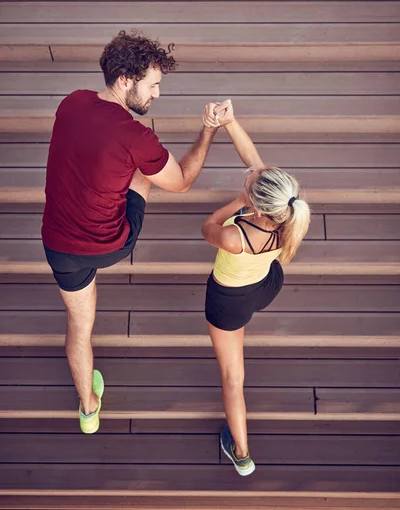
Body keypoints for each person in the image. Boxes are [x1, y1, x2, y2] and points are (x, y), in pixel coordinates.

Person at [41, 30, 230, 434]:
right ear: (125, 78)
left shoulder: (71, 102)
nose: (158, 94)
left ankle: (89, 410)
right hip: (109, 244)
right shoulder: (135, 136)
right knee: (146, 176)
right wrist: (209, 130)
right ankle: (89, 406)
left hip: (58, 243)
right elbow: (180, 182)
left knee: (79, 324)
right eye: (154, 84)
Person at [202, 101, 311, 476]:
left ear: (257, 207)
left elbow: (207, 228)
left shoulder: (236, 236)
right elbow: (255, 162)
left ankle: (242, 454)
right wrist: (230, 122)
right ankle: (241, 452)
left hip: (229, 301)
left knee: (233, 379)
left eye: (248, 185)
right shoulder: (289, 214)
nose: (246, 178)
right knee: (238, 347)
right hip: (266, 285)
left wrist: (236, 203)